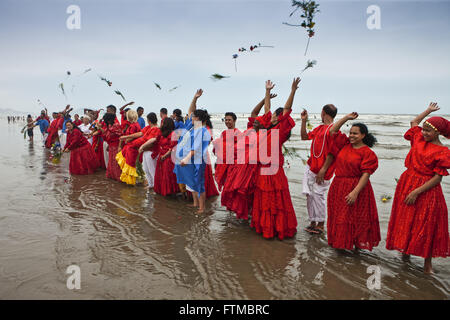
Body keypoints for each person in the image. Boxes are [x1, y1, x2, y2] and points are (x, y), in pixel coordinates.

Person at [386, 103, 450, 274]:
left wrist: (416, 191)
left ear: (438, 132)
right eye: (424, 129)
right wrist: (428, 111)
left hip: (427, 190)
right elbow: (414, 122)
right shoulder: (419, 139)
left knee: (426, 224)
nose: (424, 133)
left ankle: (427, 264)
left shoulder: (443, 151)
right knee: (407, 220)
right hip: (407, 183)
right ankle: (405, 253)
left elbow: (438, 178)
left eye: (428, 130)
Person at [249, 79, 299, 240]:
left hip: (274, 171)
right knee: (264, 201)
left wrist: (293, 91)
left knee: (276, 200)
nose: (269, 116)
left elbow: (286, 109)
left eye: (273, 115)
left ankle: (277, 229)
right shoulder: (265, 130)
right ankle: (266, 227)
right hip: (262, 170)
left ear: (278, 118)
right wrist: (267, 92)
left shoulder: (280, 130)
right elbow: (267, 108)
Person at [327, 113, 380, 251]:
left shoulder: (368, 153)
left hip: (357, 187)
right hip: (338, 185)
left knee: (353, 218)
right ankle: (340, 245)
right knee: (339, 216)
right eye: (350, 133)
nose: (351, 136)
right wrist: (347, 118)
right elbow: (333, 131)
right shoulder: (344, 144)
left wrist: (355, 192)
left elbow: (366, 175)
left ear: (363, 135)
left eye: (355, 133)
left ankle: (351, 247)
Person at [220, 93, 277, 220]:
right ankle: (241, 213)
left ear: (263, 124)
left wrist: (267, 94)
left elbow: (267, 113)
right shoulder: (249, 130)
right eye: (255, 121)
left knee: (250, 194)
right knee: (235, 192)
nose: (255, 121)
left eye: (259, 121)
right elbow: (254, 112)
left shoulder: (264, 134)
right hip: (238, 167)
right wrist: (264, 98)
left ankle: (250, 215)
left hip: (252, 170)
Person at [300, 104, 342, 235]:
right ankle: (313, 222)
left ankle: (321, 224)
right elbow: (304, 137)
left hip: (324, 170)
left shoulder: (333, 130)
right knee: (310, 196)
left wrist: (323, 170)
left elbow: (332, 153)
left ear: (323, 112)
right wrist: (303, 121)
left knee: (318, 195)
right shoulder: (319, 128)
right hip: (311, 166)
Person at [174, 89, 212, 213]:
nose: (191, 116)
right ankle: (195, 203)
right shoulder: (193, 126)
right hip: (189, 158)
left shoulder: (202, 130)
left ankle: (202, 207)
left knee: (199, 182)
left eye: (194, 116)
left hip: (196, 159)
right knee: (192, 182)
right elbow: (190, 110)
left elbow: (196, 148)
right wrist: (195, 98)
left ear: (198, 118)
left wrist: (186, 158)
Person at [144, 117, 179, 196]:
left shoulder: (173, 134)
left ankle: (169, 192)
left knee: (167, 175)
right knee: (161, 174)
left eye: (163, 123)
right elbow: (155, 139)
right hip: (161, 155)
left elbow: (172, 148)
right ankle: (162, 190)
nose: (161, 124)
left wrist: (164, 156)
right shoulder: (162, 133)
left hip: (169, 157)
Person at [115, 110, 144, 185]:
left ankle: (131, 181)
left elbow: (131, 137)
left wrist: (126, 139)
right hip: (133, 147)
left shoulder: (133, 126)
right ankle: (135, 181)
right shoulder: (136, 124)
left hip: (131, 147)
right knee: (133, 164)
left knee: (130, 164)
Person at [213, 112, 240, 191]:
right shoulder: (224, 133)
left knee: (232, 187)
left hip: (233, 166)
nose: (227, 121)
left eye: (229, 120)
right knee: (226, 186)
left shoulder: (238, 134)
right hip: (223, 164)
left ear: (234, 121)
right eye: (226, 120)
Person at [98, 113, 123, 181]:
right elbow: (106, 133)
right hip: (111, 146)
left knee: (116, 162)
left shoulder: (116, 125)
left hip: (116, 146)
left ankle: (118, 177)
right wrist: (100, 128)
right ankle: (113, 176)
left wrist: (119, 147)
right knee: (111, 161)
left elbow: (121, 136)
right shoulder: (110, 125)